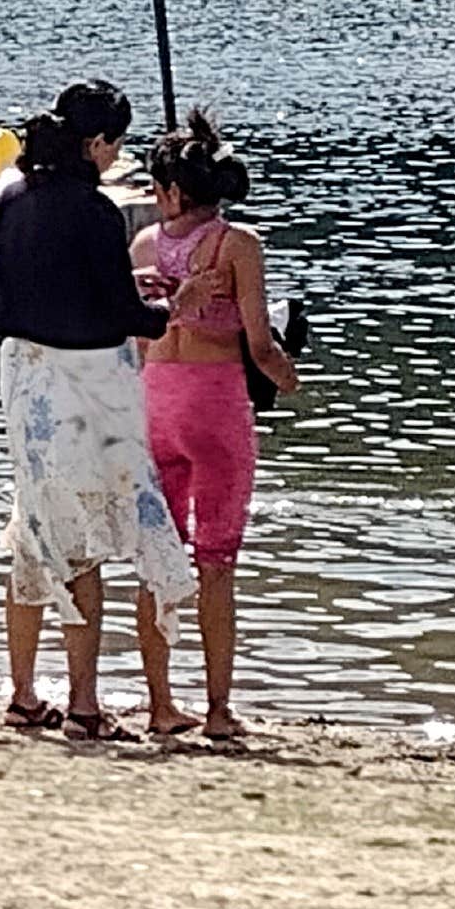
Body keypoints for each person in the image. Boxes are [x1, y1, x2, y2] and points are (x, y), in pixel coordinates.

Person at [0, 79, 192, 741]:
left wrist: (123, 289)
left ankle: (23, 692)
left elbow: (39, 285)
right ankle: (83, 704)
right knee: (81, 540)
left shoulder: (13, 198)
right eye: (116, 144)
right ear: (97, 141)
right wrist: (171, 308)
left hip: (24, 377)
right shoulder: (97, 211)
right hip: (83, 383)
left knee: (36, 527)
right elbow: (121, 315)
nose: (117, 156)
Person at [130, 109, 298, 741]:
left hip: (156, 403)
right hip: (216, 403)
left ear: (171, 190)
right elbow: (259, 344)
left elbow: (137, 339)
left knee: (157, 556)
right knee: (217, 560)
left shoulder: (142, 247)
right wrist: (287, 378)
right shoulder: (237, 245)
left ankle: (159, 701)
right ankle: (219, 709)